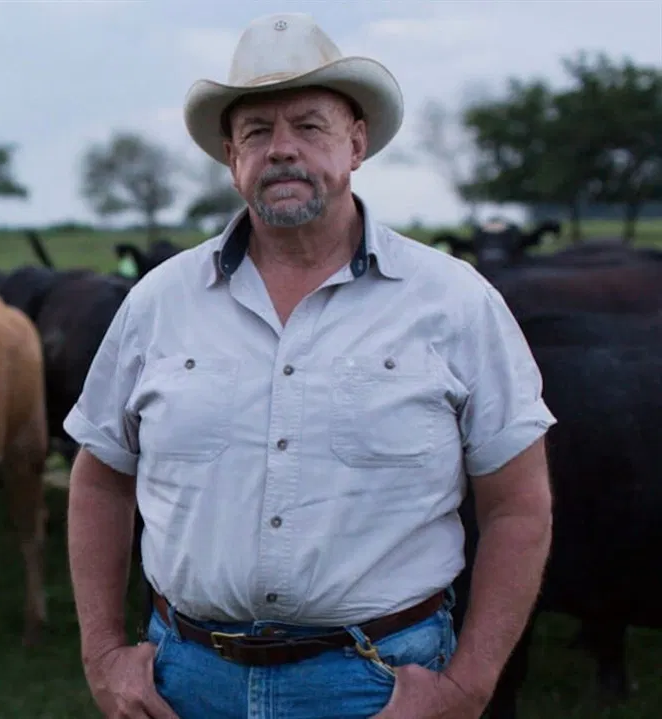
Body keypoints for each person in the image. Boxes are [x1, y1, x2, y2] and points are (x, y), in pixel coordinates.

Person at [64, 12, 556, 719]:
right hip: (186, 682)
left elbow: (518, 504)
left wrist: (469, 684)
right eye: (257, 131)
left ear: (356, 142)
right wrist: (104, 655)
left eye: (309, 125)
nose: (282, 149)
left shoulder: (456, 303)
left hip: (380, 683)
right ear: (231, 156)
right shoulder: (158, 303)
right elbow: (101, 478)